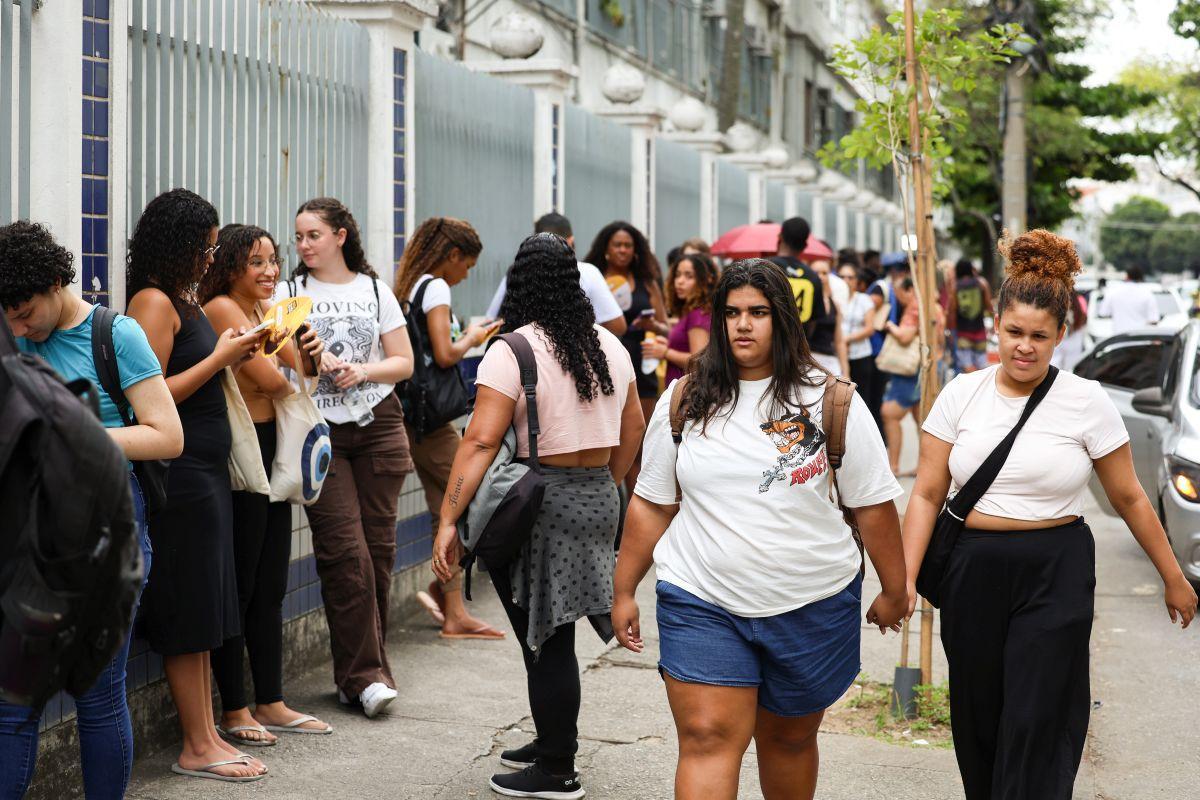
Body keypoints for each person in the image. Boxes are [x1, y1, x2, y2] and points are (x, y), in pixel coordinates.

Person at [904, 230, 1198, 800]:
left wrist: (1173, 576)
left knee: (1038, 713)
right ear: (995, 326)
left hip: (1055, 567)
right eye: (1014, 332)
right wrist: (904, 583)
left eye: (1040, 336)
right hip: (973, 569)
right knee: (978, 712)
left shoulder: (1086, 401)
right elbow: (924, 494)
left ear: (1061, 335)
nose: (1025, 347)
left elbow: (1131, 497)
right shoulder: (960, 395)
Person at [612, 261, 908, 800]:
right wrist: (624, 588)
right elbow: (652, 504)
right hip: (702, 598)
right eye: (731, 313)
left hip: (811, 599)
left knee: (788, 740)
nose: (743, 325)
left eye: (758, 313)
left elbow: (873, 506)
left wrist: (895, 589)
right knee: (706, 736)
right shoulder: (685, 400)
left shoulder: (830, 400)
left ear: (783, 320)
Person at [432, 233, 645, 800]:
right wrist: (606, 482)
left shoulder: (513, 350)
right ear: (574, 283)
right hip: (598, 496)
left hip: (539, 504)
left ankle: (557, 768)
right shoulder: (609, 346)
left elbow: (478, 443)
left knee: (548, 640)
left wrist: (449, 519)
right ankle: (551, 737)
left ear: (519, 283)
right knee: (544, 631)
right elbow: (635, 432)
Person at [0, 221, 184, 797]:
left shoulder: (115, 335)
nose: (17, 328)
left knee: (98, 695)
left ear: (57, 282)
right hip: (25, 532)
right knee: (12, 704)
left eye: (26, 313)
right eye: (7, 317)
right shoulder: (11, 333)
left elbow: (166, 435)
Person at [125, 189, 269, 782]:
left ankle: (209, 733)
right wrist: (219, 359)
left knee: (210, 603)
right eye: (206, 247)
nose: (212, 258)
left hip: (206, 472)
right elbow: (149, 399)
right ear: (178, 244)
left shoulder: (181, 299)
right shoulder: (153, 303)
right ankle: (194, 744)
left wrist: (237, 354)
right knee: (189, 605)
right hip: (178, 480)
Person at [277, 197, 415, 718]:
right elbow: (282, 364)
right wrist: (311, 360)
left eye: (314, 234)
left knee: (378, 555)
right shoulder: (290, 294)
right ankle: (368, 676)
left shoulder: (375, 289)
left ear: (340, 235)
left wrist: (363, 371)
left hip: (379, 424)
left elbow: (403, 362)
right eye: (299, 237)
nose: (304, 245)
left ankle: (358, 677)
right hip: (319, 432)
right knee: (344, 553)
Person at [199, 224, 334, 747]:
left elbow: (303, 373)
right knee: (243, 583)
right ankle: (234, 709)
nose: (270, 271)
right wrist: (289, 360)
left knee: (272, 584)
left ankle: (270, 701)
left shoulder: (266, 312)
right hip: (244, 452)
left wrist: (308, 350)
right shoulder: (222, 309)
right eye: (256, 262)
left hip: (273, 446)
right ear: (230, 264)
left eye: (273, 261)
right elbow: (276, 382)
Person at [392, 216, 507, 641]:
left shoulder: (408, 284)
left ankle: (452, 608)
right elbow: (444, 353)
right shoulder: (436, 286)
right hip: (432, 423)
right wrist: (474, 337)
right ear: (453, 255)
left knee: (448, 506)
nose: (465, 276)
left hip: (413, 416)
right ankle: (443, 596)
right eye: (468, 267)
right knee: (474, 495)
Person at [582, 220, 667, 488]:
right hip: (602, 365)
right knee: (606, 440)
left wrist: (653, 326)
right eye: (617, 245)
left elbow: (666, 324)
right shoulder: (592, 279)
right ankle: (609, 499)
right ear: (606, 249)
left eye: (628, 245)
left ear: (636, 249)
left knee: (638, 444)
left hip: (642, 366)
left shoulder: (647, 282)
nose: (622, 250)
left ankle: (633, 514)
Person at [487, 213, 627, 337]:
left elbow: (492, 320)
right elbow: (618, 326)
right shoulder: (587, 272)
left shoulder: (516, 271)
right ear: (570, 240)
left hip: (521, 355)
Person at [641, 251, 716, 384]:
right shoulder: (690, 311)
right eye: (677, 275)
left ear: (704, 280)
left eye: (689, 276)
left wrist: (665, 352)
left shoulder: (697, 314)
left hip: (690, 393)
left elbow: (700, 362)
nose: (680, 281)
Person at [768, 217, 827, 336]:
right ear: (805, 245)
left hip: (767, 343)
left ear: (780, 237)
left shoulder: (764, 268)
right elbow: (813, 321)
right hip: (797, 347)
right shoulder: (813, 277)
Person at [838, 263, 877, 403]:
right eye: (842, 277)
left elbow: (870, 328)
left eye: (850, 277)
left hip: (860, 354)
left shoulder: (864, 299)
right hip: (838, 356)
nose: (846, 281)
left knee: (860, 398)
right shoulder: (835, 298)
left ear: (856, 280)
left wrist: (847, 339)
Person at [808, 258, 849, 375]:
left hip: (830, 361)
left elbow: (839, 341)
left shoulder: (834, 304)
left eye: (824, 273)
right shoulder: (803, 303)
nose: (820, 277)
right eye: (816, 273)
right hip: (807, 360)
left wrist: (846, 372)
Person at [954, 258, 993, 373]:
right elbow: (989, 306)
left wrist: (951, 330)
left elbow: (952, 310)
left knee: (967, 368)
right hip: (980, 331)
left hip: (963, 333)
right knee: (982, 367)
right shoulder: (982, 283)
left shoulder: (955, 287)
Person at [1099, 265, 1160, 334]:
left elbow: (1103, 313)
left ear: (1127, 276)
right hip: (1140, 338)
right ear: (1140, 278)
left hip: (1119, 338)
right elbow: (1154, 321)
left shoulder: (1113, 291)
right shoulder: (1148, 294)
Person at [1051, 291, 1089, 372]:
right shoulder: (1080, 301)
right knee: (1071, 368)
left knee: (1055, 366)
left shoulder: (1055, 301)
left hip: (1058, 338)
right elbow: (1084, 320)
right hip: (1075, 337)